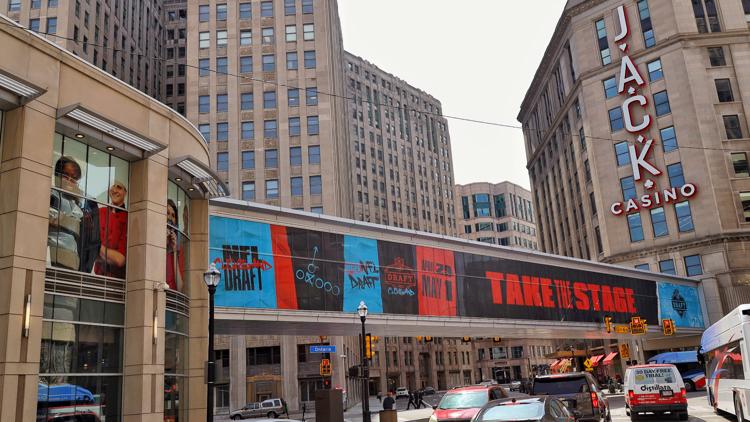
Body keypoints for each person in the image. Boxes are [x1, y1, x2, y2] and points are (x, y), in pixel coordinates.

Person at [48, 156, 101, 273]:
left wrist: (84, 270)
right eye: (65, 175)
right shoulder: (51, 194)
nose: (70, 180)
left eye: (74, 178)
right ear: (58, 174)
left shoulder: (80, 205)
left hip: (73, 263)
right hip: (50, 258)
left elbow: (92, 243)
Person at [94, 181, 128, 278]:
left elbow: (120, 260)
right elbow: (88, 251)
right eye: (113, 187)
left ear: (125, 193)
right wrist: (110, 256)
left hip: (118, 279)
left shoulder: (128, 217)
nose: (115, 190)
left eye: (119, 187)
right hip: (98, 276)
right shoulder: (101, 212)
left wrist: (97, 247)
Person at [166, 199, 185, 290]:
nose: (169, 218)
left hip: (171, 299)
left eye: (173, 215)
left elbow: (180, 287)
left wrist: (174, 251)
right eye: (167, 213)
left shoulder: (177, 250)